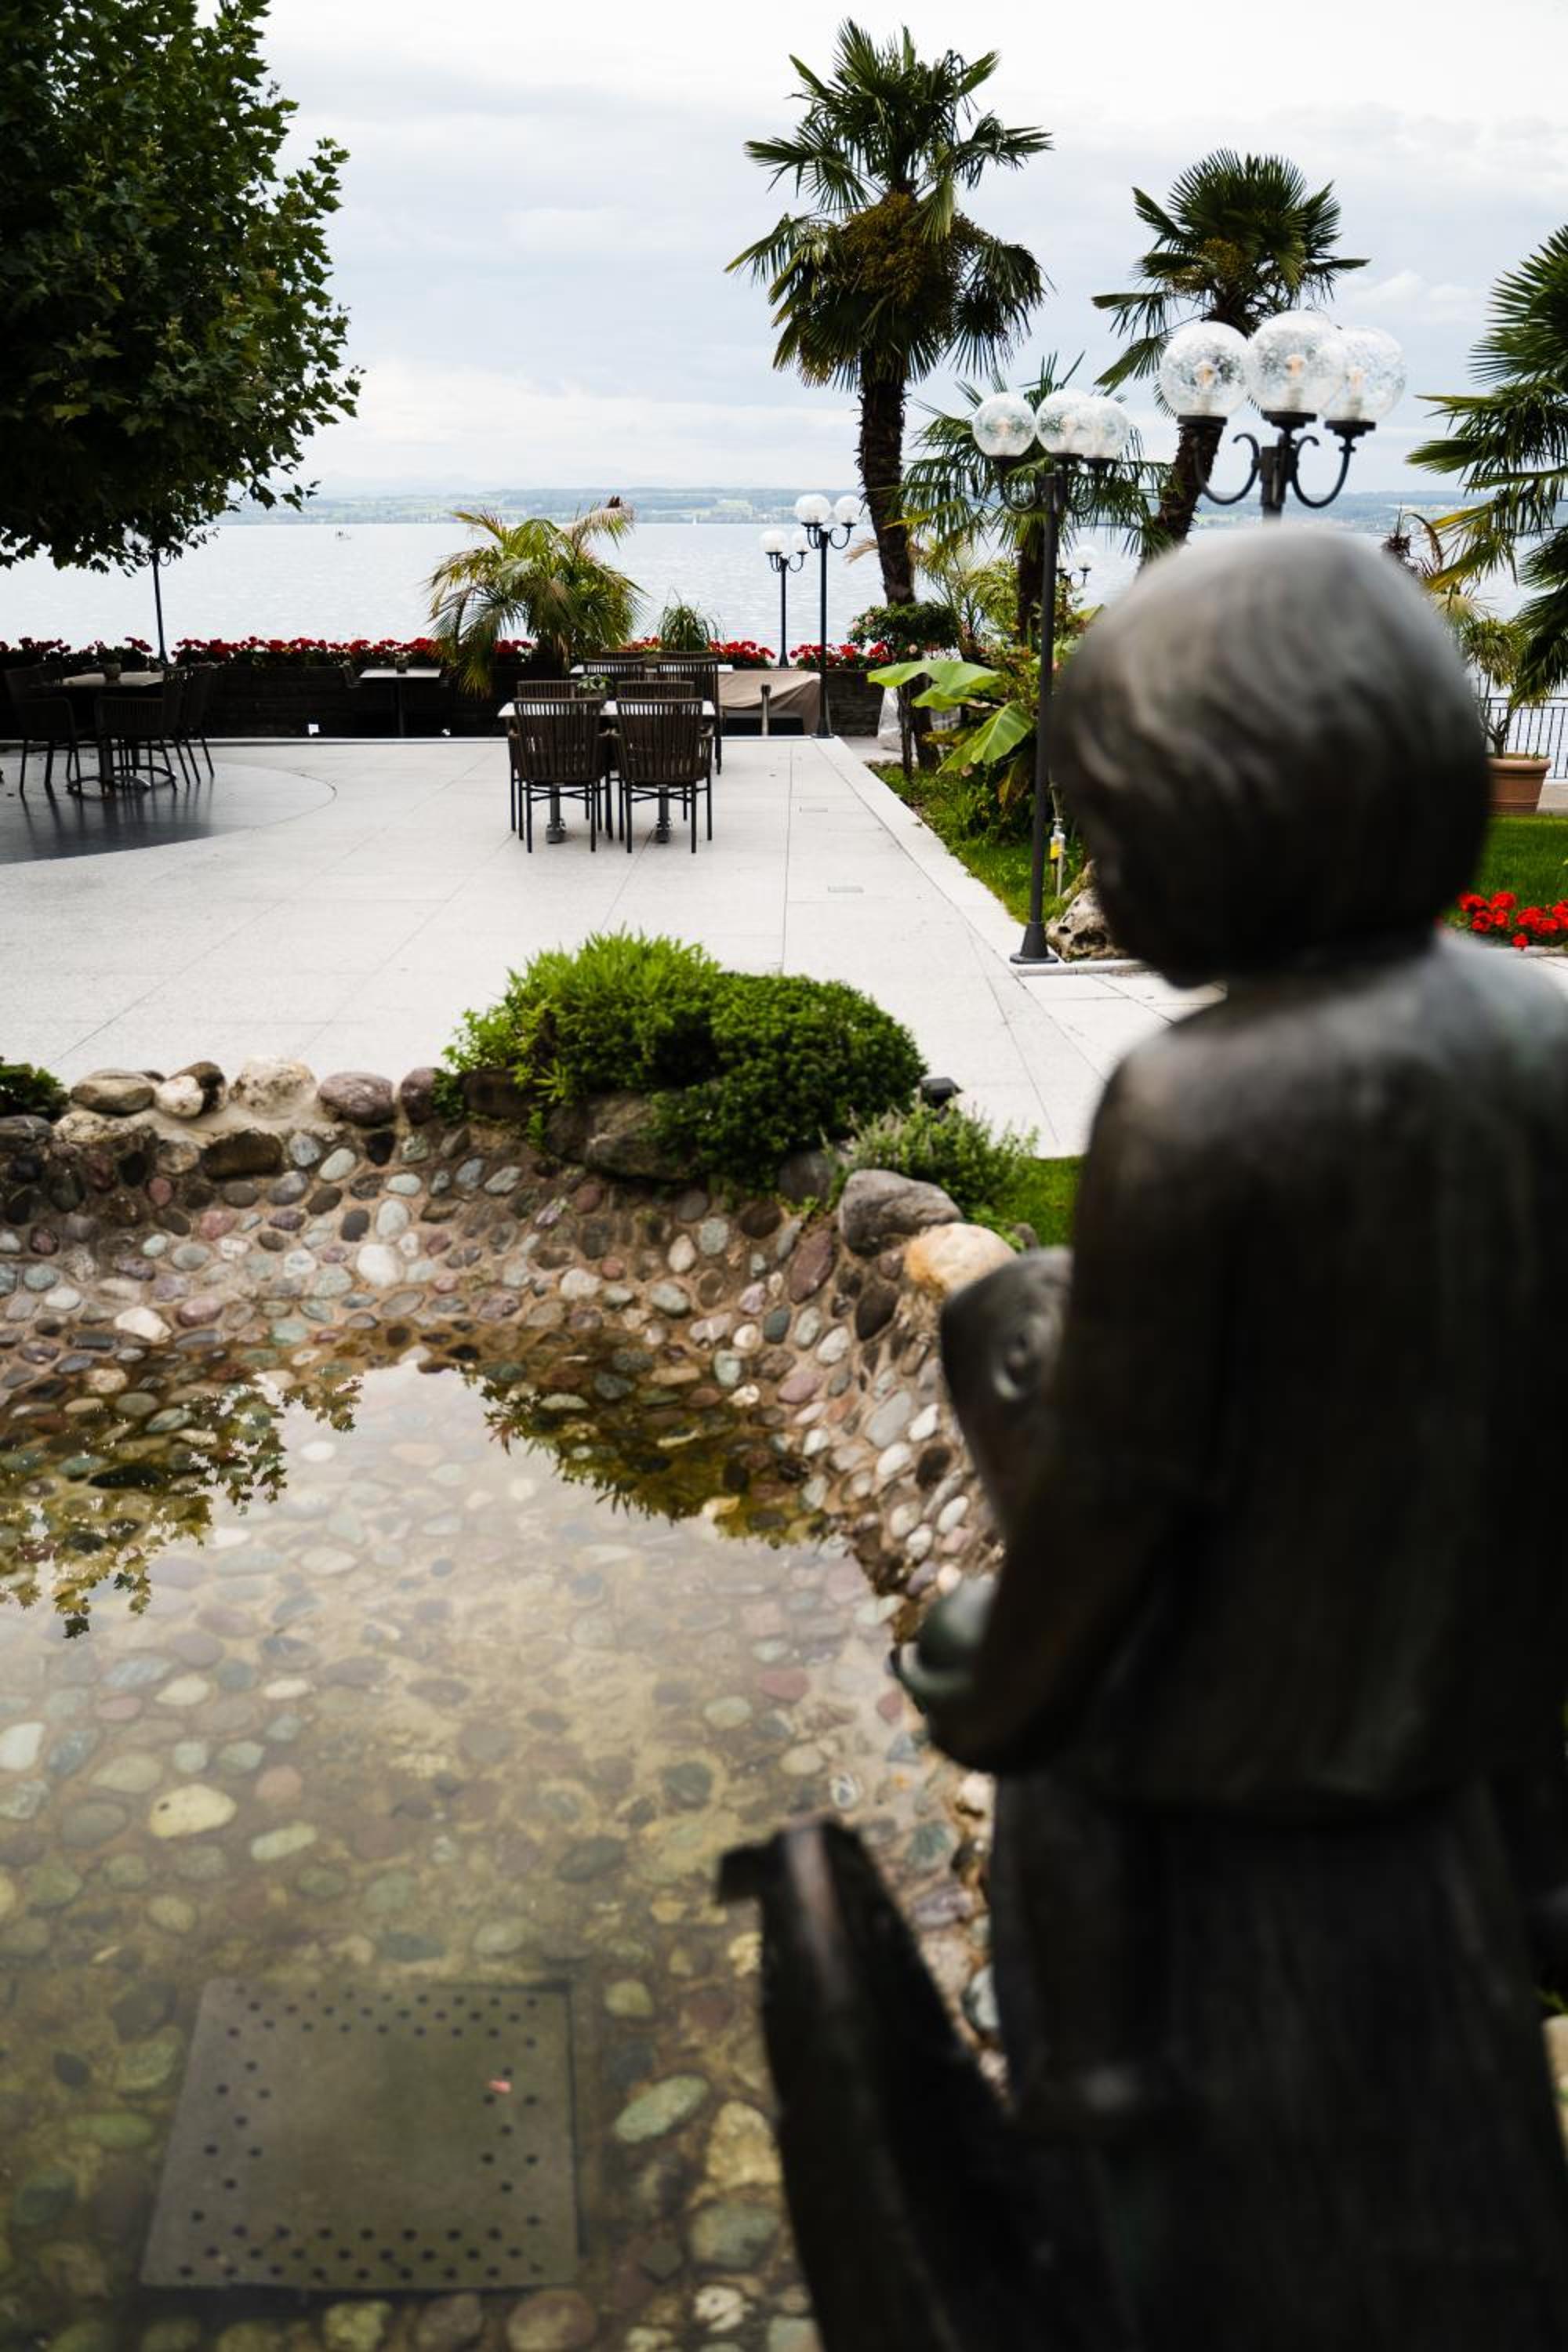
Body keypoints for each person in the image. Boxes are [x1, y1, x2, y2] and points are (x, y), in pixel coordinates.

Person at [899, 528, 1568, 2349]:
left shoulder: (1195, 1102)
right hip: (1482, 1659)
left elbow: (1122, 1485)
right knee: (1023, 1312)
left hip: (1268, 1729)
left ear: (1234, 823)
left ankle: (1099, 2063)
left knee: (1068, 1753)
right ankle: (1540, 1868)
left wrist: (1007, 1676)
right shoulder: (1533, 1035)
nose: (1098, 885)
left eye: (1113, 840)